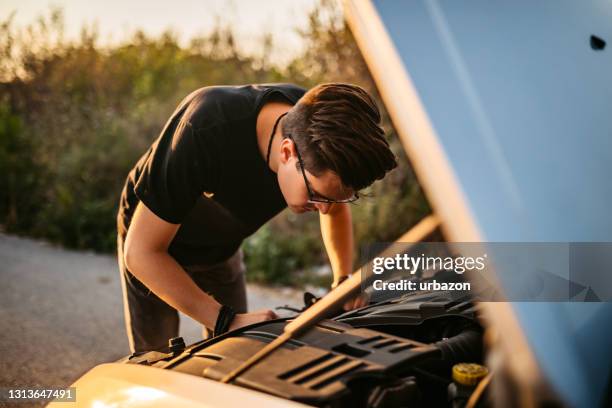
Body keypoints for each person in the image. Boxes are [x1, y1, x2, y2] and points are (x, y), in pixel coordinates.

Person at [116, 82, 398, 353]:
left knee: (236, 352)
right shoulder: (207, 125)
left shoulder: (318, 130)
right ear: (287, 152)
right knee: (158, 358)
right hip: (153, 245)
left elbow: (334, 206)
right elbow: (141, 253)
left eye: (334, 198)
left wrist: (342, 281)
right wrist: (225, 320)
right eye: (317, 195)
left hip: (223, 247)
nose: (324, 208)